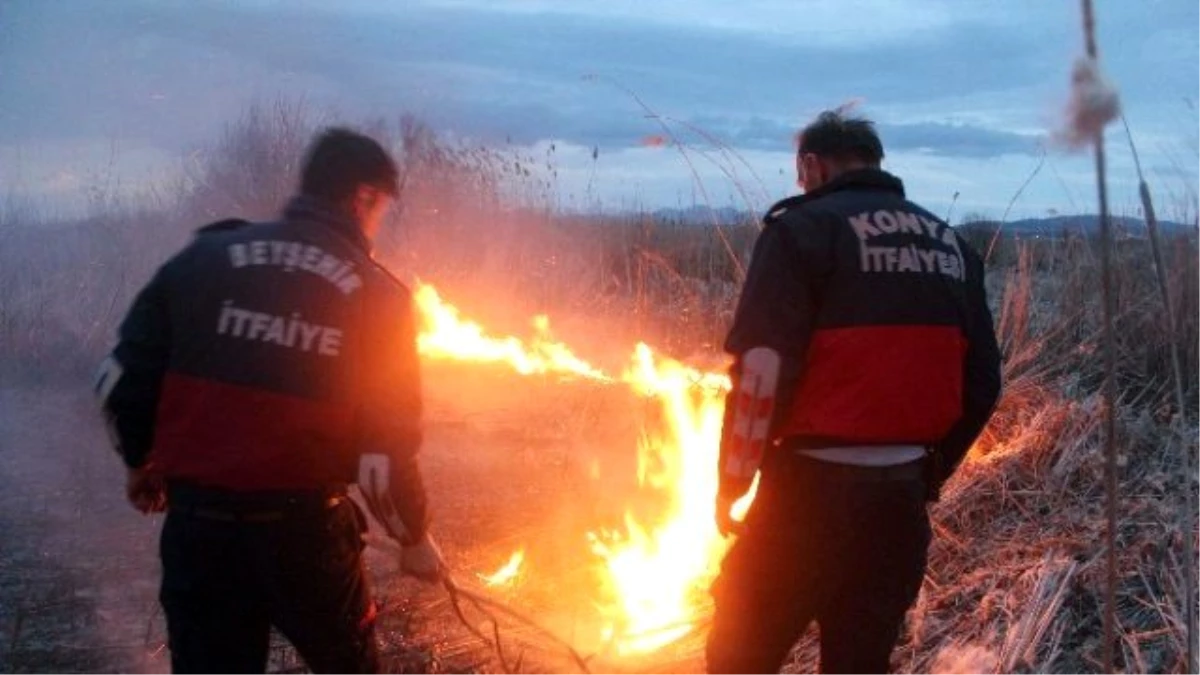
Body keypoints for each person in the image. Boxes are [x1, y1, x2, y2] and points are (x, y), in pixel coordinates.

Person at [93, 127, 444, 674]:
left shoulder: (201, 260)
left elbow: (116, 384)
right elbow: (381, 458)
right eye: (382, 210)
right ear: (363, 198)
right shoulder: (378, 297)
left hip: (200, 536)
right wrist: (413, 537)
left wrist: (143, 460)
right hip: (308, 539)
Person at [706, 111, 1002, 674]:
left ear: (811, 166)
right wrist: (929, 472)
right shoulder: (952, 246)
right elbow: (984, 381)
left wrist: (732, 482)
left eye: (800, 175)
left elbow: (762, 373)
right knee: (859, 661)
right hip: (898, 509)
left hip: (805, 500)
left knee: (738, 652)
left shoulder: (800, 231)